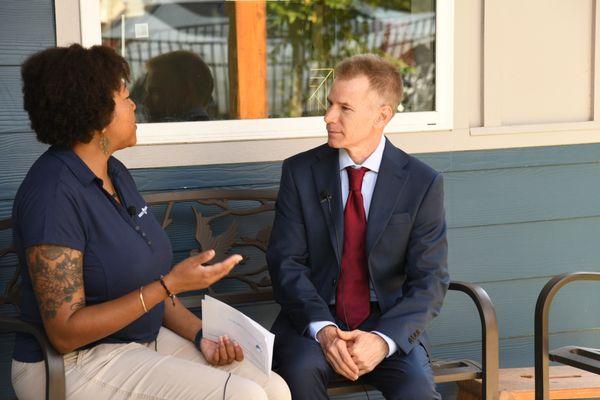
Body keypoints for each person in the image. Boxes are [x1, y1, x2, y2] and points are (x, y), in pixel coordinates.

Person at [11, 44, 290, 400]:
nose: (134, 105)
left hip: (138, 342)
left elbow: (152, 285)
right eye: (125, 97)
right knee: (243, 396)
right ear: (96, 115)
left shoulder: (115, 173)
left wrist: (200, 335)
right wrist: (169, 284)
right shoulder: (53, 195)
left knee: (273, 387)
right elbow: (65, 333)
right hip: (71, 364)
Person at [267, 54, 449, 399]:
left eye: (344, 108)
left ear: (382, 115)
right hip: (313, 320)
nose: (328, 117)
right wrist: (325, 330)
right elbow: (286, 263)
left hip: (387, 322)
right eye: (329, 104)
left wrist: (383, 341)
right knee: (299, 376)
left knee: (417, 391)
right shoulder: (300, 173)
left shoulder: (422, 183)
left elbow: (430, 279)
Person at [142, 50, 215, 122]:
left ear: (186, 90)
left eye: (156, 92)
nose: (145, 101)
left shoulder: (174, 129)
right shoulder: (209, 129)